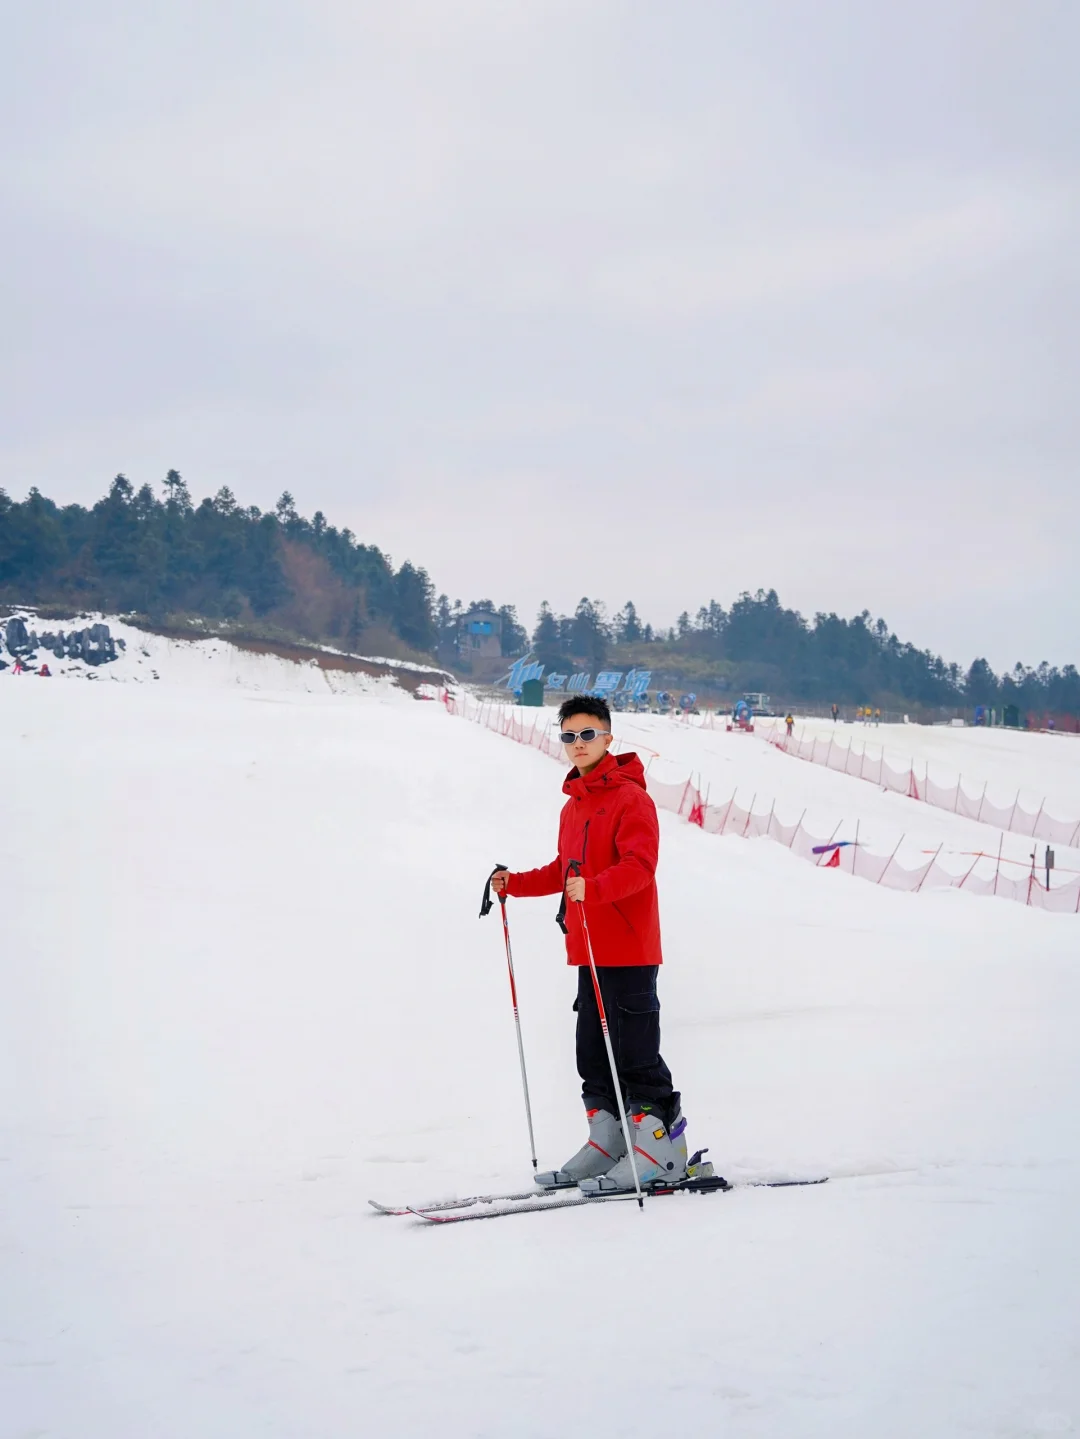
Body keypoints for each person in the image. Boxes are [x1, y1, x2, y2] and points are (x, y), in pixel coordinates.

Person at [491, 695, 686, 1195]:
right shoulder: (573, 807)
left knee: (634, 1053)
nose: (578, 745)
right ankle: (610, 1142)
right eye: (569, 736)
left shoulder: (631, 799)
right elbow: (564, 871)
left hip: (628, 947)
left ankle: (660, 1151)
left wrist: (595, 888)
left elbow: (639, 868)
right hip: (588, 949)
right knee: (593, 1055)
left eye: (587, 734)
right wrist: (515, 882)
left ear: (607, 738)